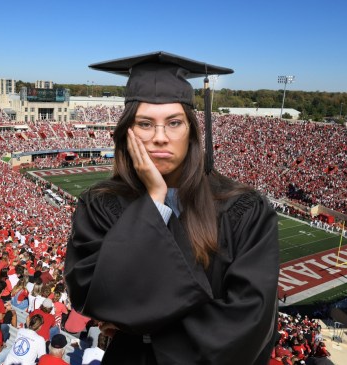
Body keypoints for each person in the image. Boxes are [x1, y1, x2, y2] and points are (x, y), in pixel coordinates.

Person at [64, 52, 279, 364]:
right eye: (145, 123)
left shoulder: (245, 209)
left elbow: (248, 322)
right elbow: (91, 292)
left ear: (191, 130)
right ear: (128, 132)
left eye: (174, 123)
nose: (160, 138)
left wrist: (142, 328)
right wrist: (154, 198)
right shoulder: (100, 205)